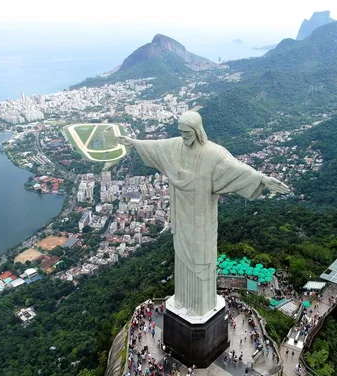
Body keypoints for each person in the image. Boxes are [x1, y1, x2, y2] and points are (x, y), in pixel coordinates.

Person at [117, 110, 289, 316]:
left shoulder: (213, 154)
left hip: (202, 221)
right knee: (182, 260)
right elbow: (154, 146)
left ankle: (200, 307)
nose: (184, 136)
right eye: (181, 132)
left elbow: (237, 169)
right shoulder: (174, 146)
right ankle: (182, 301)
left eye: (187, 132)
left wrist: (262, 179)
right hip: (181, 218)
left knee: (202, 260)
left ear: (197, 131)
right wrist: (133, 142)